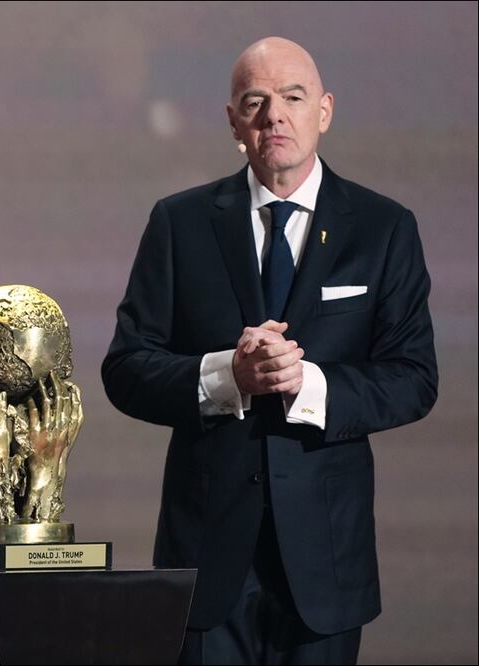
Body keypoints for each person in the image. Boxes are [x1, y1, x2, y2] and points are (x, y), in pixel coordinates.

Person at [101, 37, 437, 665]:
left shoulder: (383, 227)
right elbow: (125, 369)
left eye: (293, 97)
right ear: (233, 121)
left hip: (326, 562)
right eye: (255, 101)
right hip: (206, 556)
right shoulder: (179, 223)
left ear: (325, 111)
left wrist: (305, 383)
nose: (274, 116)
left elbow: (414, 378)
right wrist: (229, 376)